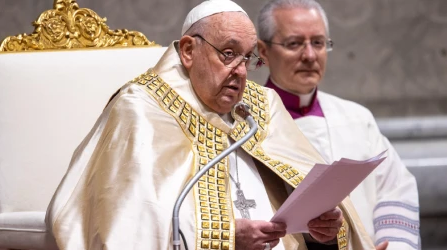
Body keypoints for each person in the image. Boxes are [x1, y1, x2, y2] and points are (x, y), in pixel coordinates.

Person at [46, 1, 376, 249]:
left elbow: (305, 207)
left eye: (247, 58)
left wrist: (323, 231)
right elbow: (126, 224)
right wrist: (225, 238)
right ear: (189, 50)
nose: (241, 71)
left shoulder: (260, 107)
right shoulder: (142, 107)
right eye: (228, 53)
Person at [256, 0, 420, 249]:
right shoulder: (245, 123)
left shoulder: (356, 118)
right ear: (263, 51)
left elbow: (395, 188)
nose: (310, 55)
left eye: (318, 43)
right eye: (294, 43)